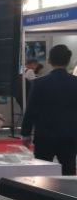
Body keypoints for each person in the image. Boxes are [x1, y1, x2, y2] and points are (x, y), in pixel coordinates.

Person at [21, 44, 77, 175]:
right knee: (68, 171)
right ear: (68, 61)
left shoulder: (39, 83)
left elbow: (31, 110)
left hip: (44, 136)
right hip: (70, 136)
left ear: (49, 61)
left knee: (42, 172)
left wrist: (26, 133)